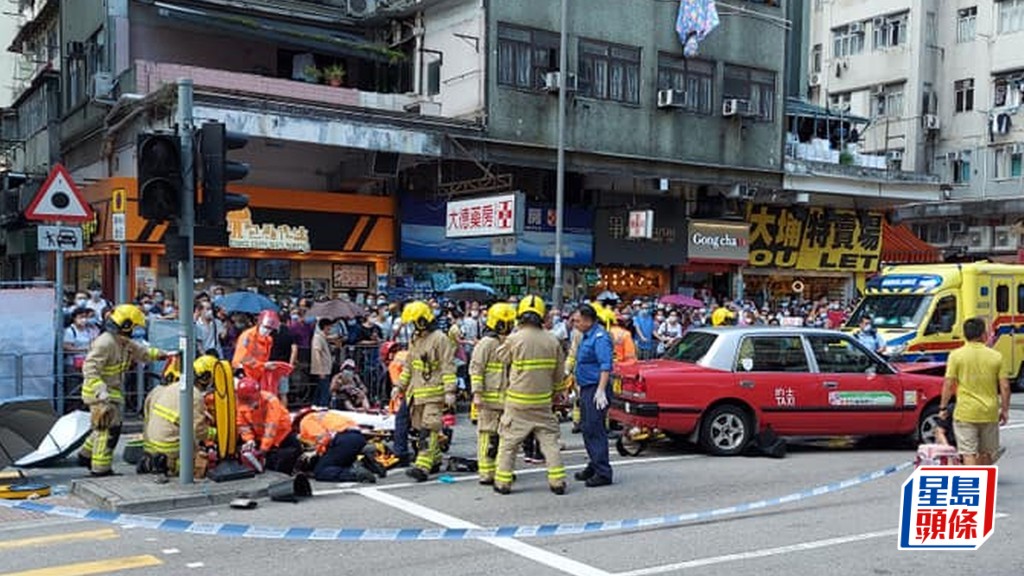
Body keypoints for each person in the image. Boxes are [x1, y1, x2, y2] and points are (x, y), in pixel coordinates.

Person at [78, 304, 171, 476]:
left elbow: (142, 352)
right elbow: (90, 368)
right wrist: (100, 390)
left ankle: (85, 455)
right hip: (100, 393)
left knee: (100, 427)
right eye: (134, 327)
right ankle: (100, 469)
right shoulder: (105, 343)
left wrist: (164, 354)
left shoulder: (122, 341)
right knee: (109, 430)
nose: (135, 330)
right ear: (126, 326)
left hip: (112, 390)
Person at [492, 296, 568, 495]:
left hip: (517, 402)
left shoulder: (515, 338)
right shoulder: (553, 340)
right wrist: (558, 393)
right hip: (543, 402)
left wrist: (511, 335)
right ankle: (557, 481)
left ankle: (502, 483)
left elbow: (501, 357)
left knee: (508, 443)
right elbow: (559, 374)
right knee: (550, 443)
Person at [391, 300, 456, 482]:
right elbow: (409, 367)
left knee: (429, 427)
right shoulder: (416, 339)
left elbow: (448, 367)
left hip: (434, 392)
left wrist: (450, 392)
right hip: (417, 392)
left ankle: (423, 465)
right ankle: (434, 458)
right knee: (422, 428)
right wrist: (399, 386)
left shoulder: (440, 339)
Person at [940, 317, 1011, 466]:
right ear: (983, 334)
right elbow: (1005, 387)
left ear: (965, 334)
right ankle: (984, 482)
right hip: (989, 412)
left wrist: (943, 407)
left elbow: (948, 384)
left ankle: (972, 484)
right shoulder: (996, 356)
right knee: (986, 452)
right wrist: (1004, 410)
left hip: (965, 412)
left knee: (968, 453)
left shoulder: (956, 355)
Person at [138, 355, 217, 478]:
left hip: (154, 444)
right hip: (170, 445)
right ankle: (173, 465)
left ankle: (154, 462)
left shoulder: (176, 387)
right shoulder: (194, 395)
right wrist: (217, 435)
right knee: (201, 460)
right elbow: (198, 430)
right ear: (205, 378)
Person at [470, 302, 515, 485]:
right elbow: (476, 369)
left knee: (504, 437)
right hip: (489, 398)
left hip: (506, 398)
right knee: (487, 434)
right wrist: (477, 394)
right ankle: (486, 472)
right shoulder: (487, 343)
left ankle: (500, 469)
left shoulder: (510, 342)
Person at [573, 303, 614, 487]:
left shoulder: (600, 337)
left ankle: (603, 472)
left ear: (588, 320)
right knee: (587, 428)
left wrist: (600, 390)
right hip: (586, 388)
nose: (575, 323)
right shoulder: (586, 336)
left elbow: (605, 365)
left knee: (595, 429)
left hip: (596, 389)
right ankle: (594, 463)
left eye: (578, 320)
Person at [235, 377, 301, 474]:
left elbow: (271, 428)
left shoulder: (270, 401)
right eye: (245, 400)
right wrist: (249, 440)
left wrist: (263, 450)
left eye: (249, 399)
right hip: (261, 438)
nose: (248, 403)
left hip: (281, 437)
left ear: (257, 395)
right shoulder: (241, 403)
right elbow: (243, 425)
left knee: (290, 453)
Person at [297, 410, 384, 483]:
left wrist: (316, 452)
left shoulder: (306, 420)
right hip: (358, 437)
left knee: (321, 471)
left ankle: (354, 473)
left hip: (343, 440)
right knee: (339, 462)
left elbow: (323, 437)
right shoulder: (327, 415)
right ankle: (366, 463)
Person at [232, 310, 277, 382]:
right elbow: (244, 358)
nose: (267, 331)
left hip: (257, 375)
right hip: (242, 372)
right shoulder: (248, 336)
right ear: (259, 323)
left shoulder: (268, 340)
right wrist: (263, 365)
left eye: (270, 329)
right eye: (265, 327)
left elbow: (265, 358)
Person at [268, 312, 298, 407]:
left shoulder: (270, 332)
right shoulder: (290, 332)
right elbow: (294, 349)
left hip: (271, 365)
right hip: (283, 366)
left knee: (272, 392)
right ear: (288, 321)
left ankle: (273, 413)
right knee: (283, 393)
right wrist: (291, 364)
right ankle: (283, 413)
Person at [310, 318, 335, 407]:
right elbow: (317, 352)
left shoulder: (323, 337)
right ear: (325, 327)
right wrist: (320, 369)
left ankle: (316, 405)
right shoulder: (318, 337)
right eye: (330, 327)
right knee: (324, 390)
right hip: (322, 368)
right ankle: (322, 406)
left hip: (326, 368)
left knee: (320, 389)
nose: (331, 329)